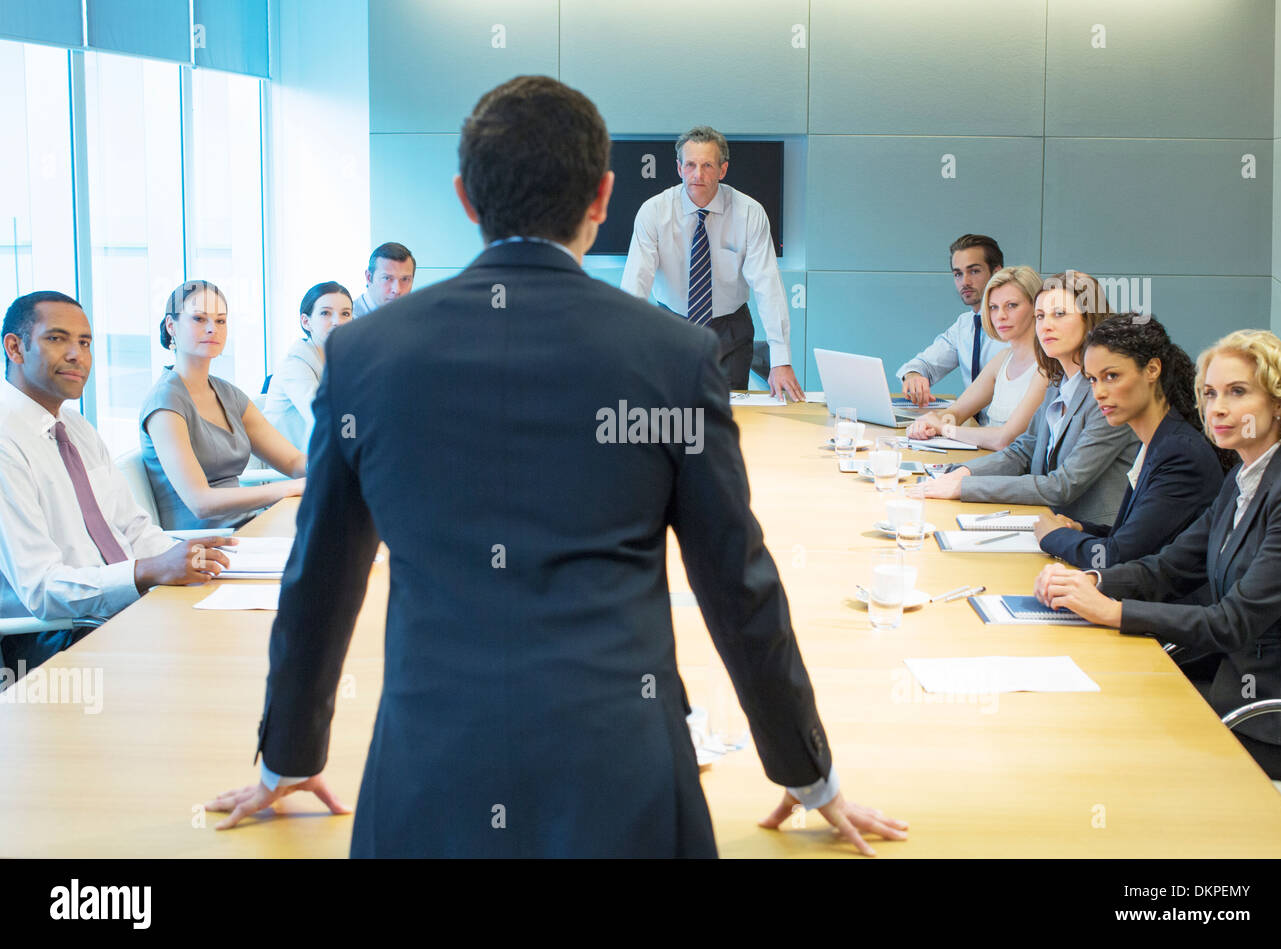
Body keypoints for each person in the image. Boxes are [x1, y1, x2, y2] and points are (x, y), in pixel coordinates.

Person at [206, 76, 908, 858]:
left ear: (466, 198)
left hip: (428, 773)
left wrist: (287, 757)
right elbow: (737, 585)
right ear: (605, 197)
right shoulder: (674, 356)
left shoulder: (366, 355)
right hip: (624, 773)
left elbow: (321, 579)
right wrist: (807, 768)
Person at [1035, 329, 1281, 781]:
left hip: (1271, 722)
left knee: (1114, 755)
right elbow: (1172, 565)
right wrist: (1093, 583)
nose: (1217, 407)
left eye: (1237, 393)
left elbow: (1233, 621)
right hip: (1225, 688)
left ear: (1278, 402)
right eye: (1210, 393)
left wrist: (1114, 612)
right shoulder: (1244, 475)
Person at [0, 291, 231, 677]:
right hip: (58, 635)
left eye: (85, 342)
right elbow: (41, 588)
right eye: (57, 339)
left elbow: (133, 528)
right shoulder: (6, 440)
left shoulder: (75, 428)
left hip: (124, 609)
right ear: (15, 348)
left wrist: (191, 560)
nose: (77, 354)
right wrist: (147, 571)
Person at [924, 271, 1139, 525]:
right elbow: (1023, 450)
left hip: (1091, 538)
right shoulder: (1059, 382)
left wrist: (965, 487)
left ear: (1089, 319)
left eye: (1059, 314)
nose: (1046, 325)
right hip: (1046, 524)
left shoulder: (1107, 396)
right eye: (1040, 316)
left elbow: (1062, 485)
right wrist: (963, 472)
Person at [620, 126, 804, 401]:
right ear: (679, 168)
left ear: (723, 170)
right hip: (672, 326)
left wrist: (781, 360)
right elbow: (636, 284)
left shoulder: (749, 213)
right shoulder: (654, 212)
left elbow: (767, 285)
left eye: (708, 165)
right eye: (691, 165)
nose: (698, 174)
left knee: (727, 420)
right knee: (672, 416)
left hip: (729, 331)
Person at [1033, 314, 1227, 569]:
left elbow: (1118, 556)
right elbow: (1134, 538)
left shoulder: (1180, 454)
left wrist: (1055, 537)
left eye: (1111, 376)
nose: (1099, 392)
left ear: (1152, 370)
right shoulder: (1158, 440)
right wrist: (1081, 528)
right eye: (1092, 379)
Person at [140, 280, 306, 531]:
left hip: (248, 526)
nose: (212, 329)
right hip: (205, 547)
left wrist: (346, 465)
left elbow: (293, 461)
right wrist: (290, 488)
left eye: (220, 321)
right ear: (171, 326)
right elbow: (200, 502)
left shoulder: (229, 394)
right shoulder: (165, 402)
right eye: (199, 319)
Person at [906, 265, 1047, 451]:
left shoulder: (1046, 367)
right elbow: (956, 412)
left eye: (1012, 305)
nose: (1001, 316)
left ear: (1036, 308)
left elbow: (1004, 439)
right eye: (993, 308)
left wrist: (945, 428)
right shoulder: (1003, 359)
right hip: (986, 463)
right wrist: (930, 424)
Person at [897, 234, 1009, 415]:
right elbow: (925, 363)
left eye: (974, 271)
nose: (964, 282)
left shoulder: (1016, 327)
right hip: (971, 429)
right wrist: (913, 376)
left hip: (1005, 435)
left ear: (997, 274)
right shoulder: (964, 325)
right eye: (958, 274)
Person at [263, 282, 353, 453]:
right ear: (306, 322)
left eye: (345, 314)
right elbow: (324, 417)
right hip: (290, 469)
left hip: (325, 458)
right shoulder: (294, 365)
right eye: (325, 313)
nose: (337, 322)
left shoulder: (344, 362)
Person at [352, 242, 415, 317]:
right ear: (368, 277)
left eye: (405, 279)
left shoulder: (418, 318)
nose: (397, 290)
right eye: (387, 278)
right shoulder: (347, 322)